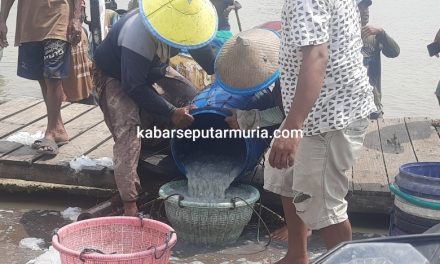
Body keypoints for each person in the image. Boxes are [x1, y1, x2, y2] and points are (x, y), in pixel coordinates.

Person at [264, 0, 376, 263]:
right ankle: (296, 256)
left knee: (324, 204)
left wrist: (292, 128)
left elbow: (316, 56)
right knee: (285, 174)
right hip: (316, 109)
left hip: (330, 115)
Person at [92, 0, 217, 216]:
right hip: (115, 73)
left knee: (193, 98)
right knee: (129, 129)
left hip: (152, 66)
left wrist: (224, 77)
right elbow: (133, 84)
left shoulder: (189, 27)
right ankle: (129, 201)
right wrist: (171, 112)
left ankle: (173, 144)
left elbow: (209, 60)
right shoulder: (138, 32)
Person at [0, 0, 83, 155]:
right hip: (29, 23)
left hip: (59, 18)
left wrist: (77, 18)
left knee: (53, 77)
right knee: (42, 77)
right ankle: (58, 129)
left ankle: (51, 132)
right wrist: (2, 20)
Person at [358, 0, 400, 119]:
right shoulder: (342, 36)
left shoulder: (374, 36)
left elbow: (395, 52)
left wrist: (382, 33)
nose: (366, 11)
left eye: (367, 8)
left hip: (373, 102)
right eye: (361, 7)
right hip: (349, 103)